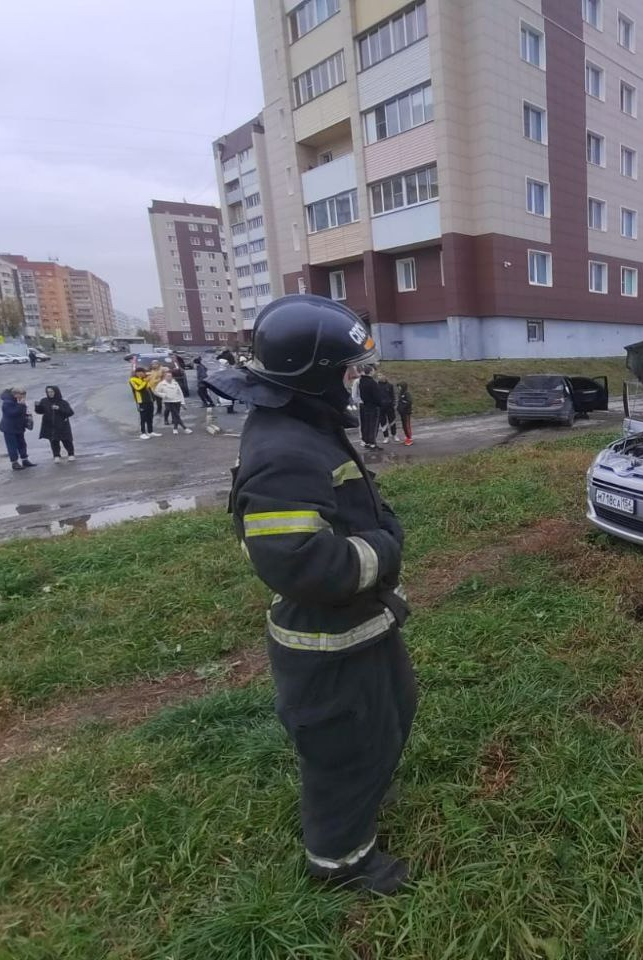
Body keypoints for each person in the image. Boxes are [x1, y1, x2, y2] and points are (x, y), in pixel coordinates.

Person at [207, 294, 416, 895]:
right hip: (326, 639)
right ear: (316, 373)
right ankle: (341, 864)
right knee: (343, 747)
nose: (355, 381)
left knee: (389, 715)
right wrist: (387, 548)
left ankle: (366, 790)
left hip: (360, 627)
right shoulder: (286, 452)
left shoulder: (302, 425)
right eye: (348, 370)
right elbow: (301, 564)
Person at [34, 385, 75, 461]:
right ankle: (56, 455)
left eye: (52, 392)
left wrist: (59, 408)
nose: (50, 393)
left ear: (56, 392)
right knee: (53, 441)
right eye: (48, 392)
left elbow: (70, 412)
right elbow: (40, 411)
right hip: (49, 425)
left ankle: (71, 454)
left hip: (62, 425)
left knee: (66, 440)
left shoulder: (63, 402)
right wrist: (37, 406)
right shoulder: (44, 401)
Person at [0, 387, 35, 470]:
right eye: (22, 395)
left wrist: (28, 417)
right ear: (15, 394)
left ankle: (25, 460)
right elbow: (12, 413)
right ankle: (14, 463)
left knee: (22, 443)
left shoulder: (18, 401)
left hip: (19, 426)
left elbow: (22, 412)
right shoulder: (7, 402)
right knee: (12, 446)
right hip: (9, 428)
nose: (23, 397)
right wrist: (21, 405)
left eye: (24, 395)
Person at [154, 370, 192, 435]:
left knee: (176, 415)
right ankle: (185, 428)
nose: (169, 377)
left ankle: (175, 428)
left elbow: (180, 393)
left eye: (170, 376)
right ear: (164, 377)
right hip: (168, 401)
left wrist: (182, 403)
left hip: (177, 401)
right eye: (168, 376)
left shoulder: (175, 383)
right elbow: (156, 392)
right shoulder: (161, 384)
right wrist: (163, 395)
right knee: (176, 415)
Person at [128, 367, 157, 439]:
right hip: (141, 401)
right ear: (136, 373)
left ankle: (150, 431)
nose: (142, 373)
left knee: (150, 416)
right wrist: (145, 381)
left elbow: (149, 389)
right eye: (139, 372)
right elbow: (138, 389)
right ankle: (143, 432)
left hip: (149, 400)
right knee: (143, 417)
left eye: (143, 372)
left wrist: (153, 398)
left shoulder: (144, 379)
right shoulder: (133, 380)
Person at [358, 365, 382, 450]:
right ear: (371, 372)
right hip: (373, 406)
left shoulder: (361, 381)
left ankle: (367, 441)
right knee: (373, 425)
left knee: (366, 425)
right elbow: (377, 396)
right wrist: (380, 403)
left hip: (365, 405)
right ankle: (372, 443)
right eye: (373, 371)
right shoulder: (372, 383)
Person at [376, 372, 397, 442]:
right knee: (383, 422)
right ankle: (386, 437)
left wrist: (393, 403)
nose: (379, 377)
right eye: (378, 375)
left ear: (385, 376)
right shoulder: (376, 385)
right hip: (381, 407)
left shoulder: (390, 385)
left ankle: (394, 435)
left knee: (392, 421)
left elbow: (393, 395)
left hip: (389, 406)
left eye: (381, 375)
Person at [396, 382, 414, 446]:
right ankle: (407, 437)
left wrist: (403, 407)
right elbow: (399, 402)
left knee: (407, 425)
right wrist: (398, 408)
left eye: (400, 386)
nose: (399, 388)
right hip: (402, 412)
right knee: (404, 426)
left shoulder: (407, 393)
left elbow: (409, 402)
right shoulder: (400, 393)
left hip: (406, 412)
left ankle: (409, 439)